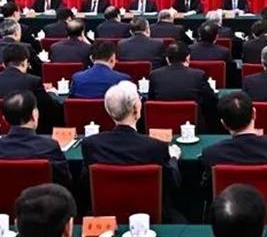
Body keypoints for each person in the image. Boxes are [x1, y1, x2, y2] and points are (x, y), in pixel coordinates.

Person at [81, 81, 182, 220]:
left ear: (108, 110)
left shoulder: (91, 144)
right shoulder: (156, 147)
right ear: (136, 108)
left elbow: (84, 182)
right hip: (152, 217)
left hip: (106, 215)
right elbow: (173, 183)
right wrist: (174, 158)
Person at [201, 92, 267, 199]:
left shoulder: (212, 153)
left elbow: (207, 191)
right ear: (254, 114)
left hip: (228, 208)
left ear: (223, 124)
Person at [0, 91, 71, 187]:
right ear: (34, 114)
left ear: (5, 120)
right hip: (43, 196)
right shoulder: (49, 146)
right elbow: (65, 182)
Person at [148, 42, 218, 129]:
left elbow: (151, 100)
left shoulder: (154, 75)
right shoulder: (198, 75)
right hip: (193, 127)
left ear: (167, 59)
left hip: (162, 126)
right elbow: (211, 100)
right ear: (188, 58)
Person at [0, 43, 57, 133]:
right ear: (24, 62)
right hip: (30, 131)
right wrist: (51, 93)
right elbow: (48, 106)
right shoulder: (33, 81)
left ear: (3, 64)